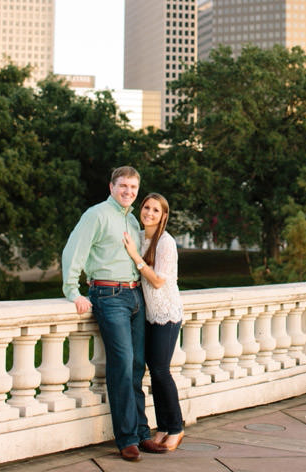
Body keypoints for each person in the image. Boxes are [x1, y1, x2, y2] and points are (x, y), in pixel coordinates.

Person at [61, 166, 168, 462]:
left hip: (135, 295)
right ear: (111, 187)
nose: (128, 192)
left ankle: (143, 433)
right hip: (108, 296)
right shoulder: (95, 215)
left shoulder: (133, 220)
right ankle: (126, 439)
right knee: (121, 364)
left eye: (133, 188)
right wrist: (73, 291)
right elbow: (73, 252)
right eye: (123, 186)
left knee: (136, 365)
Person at [122, 193, 185, 451]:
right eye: (146, 207)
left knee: (160, 370)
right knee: (154, 371)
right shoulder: (138, 236)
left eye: (155, 210)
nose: (149, 213)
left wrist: (136, 257)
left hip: (166, 314)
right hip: (148, 314)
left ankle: (177, 428)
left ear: (163, 216)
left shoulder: (165, 243)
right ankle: (164, 427)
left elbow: (158, 280)